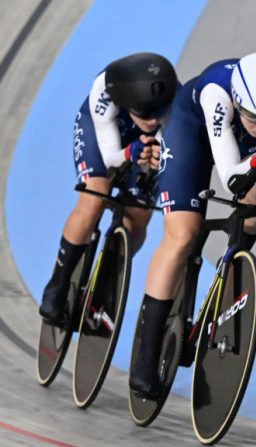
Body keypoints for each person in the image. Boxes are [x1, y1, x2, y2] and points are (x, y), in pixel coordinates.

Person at [128, 52, 256, 398]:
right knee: (182, 237)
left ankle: (234, 261)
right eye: (253, 116)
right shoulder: (216, 95)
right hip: (191, 135)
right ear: (237, 100)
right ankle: (145, 358)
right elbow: (231, 180)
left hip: (237, 146)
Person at [39, 52, 178, 323]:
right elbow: (111, 156)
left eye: (157, 112)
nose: (152, 120)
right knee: (95, 197)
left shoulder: (174, 99)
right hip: (102, 135)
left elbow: (171, 146)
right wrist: (132, 152)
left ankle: (107, 287)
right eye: (144, 113)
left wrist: (158, 155)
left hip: (140, 145)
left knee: (139, 216)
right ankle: (58, 284)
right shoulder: (103, 94)